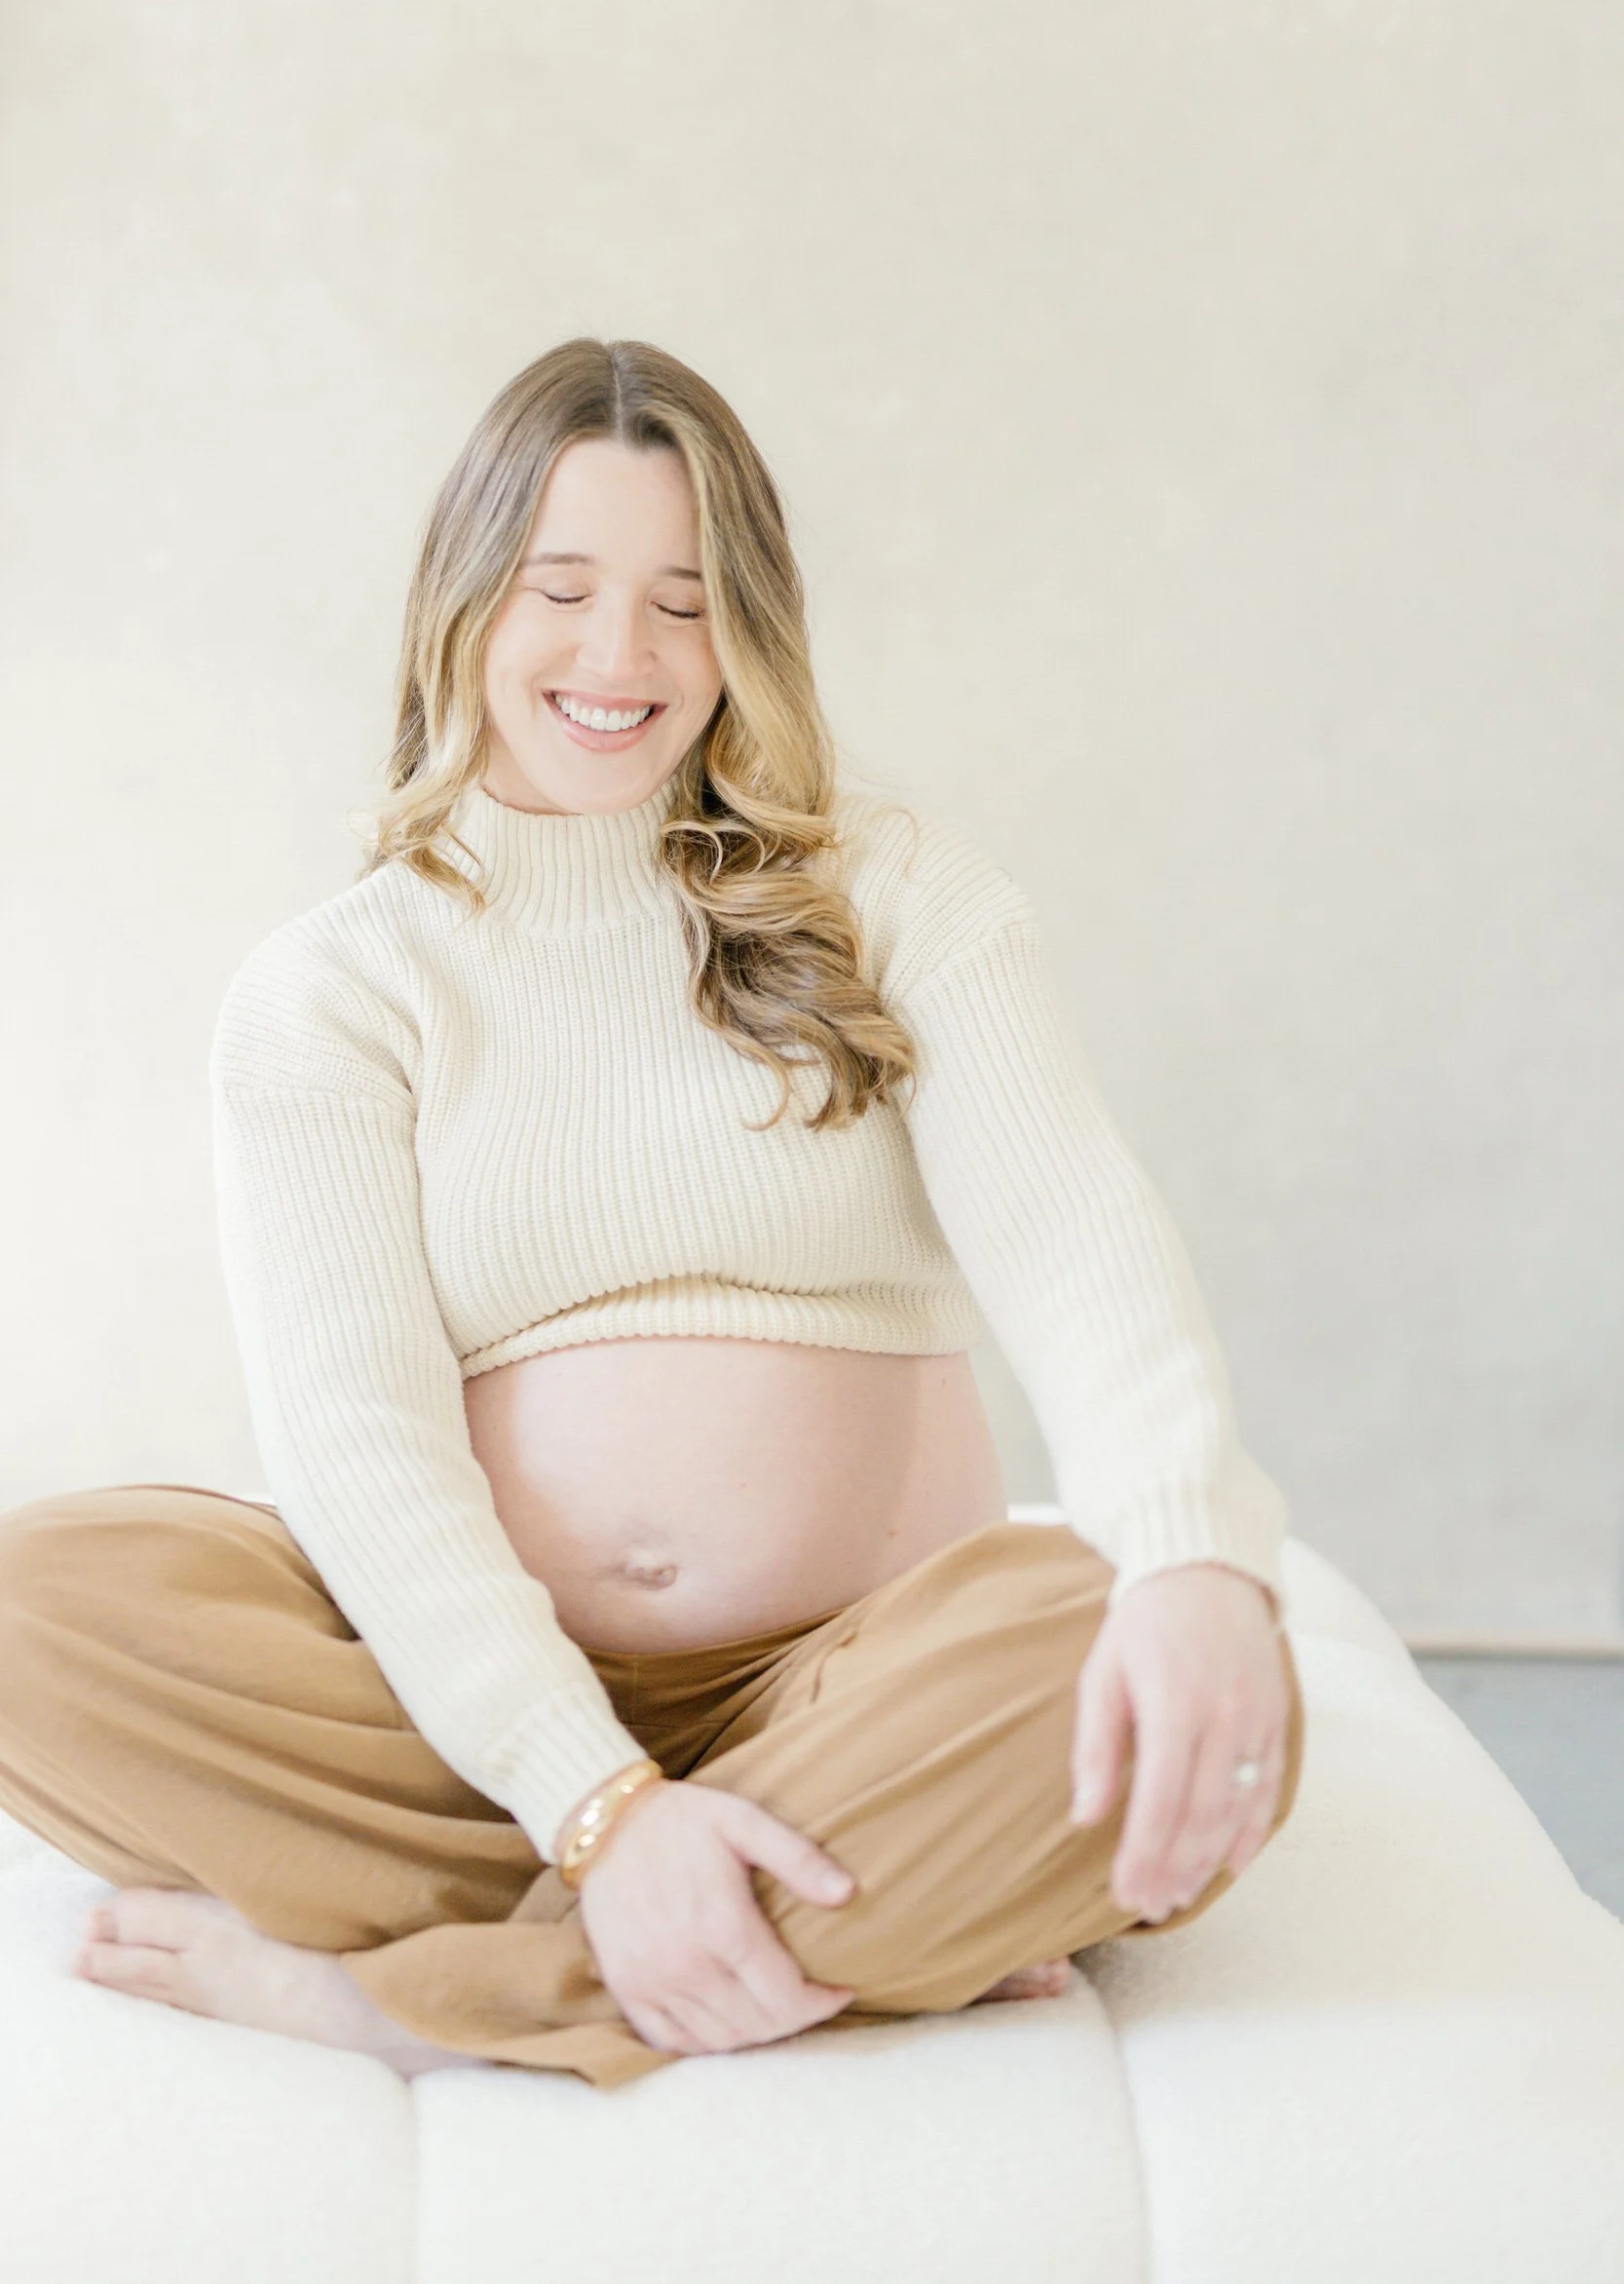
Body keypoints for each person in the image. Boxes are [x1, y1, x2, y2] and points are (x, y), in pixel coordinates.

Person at [0, 337, 1304, 2087]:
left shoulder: (896, 901)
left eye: (683, 604)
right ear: (462, 605)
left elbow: (1075, 1234)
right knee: (35, 1609)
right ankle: (804, 1915)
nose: (620, 657)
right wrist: (601, 1800)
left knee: (1155, 1671)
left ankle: (417, 1993)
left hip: (857, 1692)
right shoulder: (334, 990)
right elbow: (354, 1444)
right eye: (563, 588)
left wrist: (1190, 1556)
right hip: (464, 1727)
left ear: (746, 631)